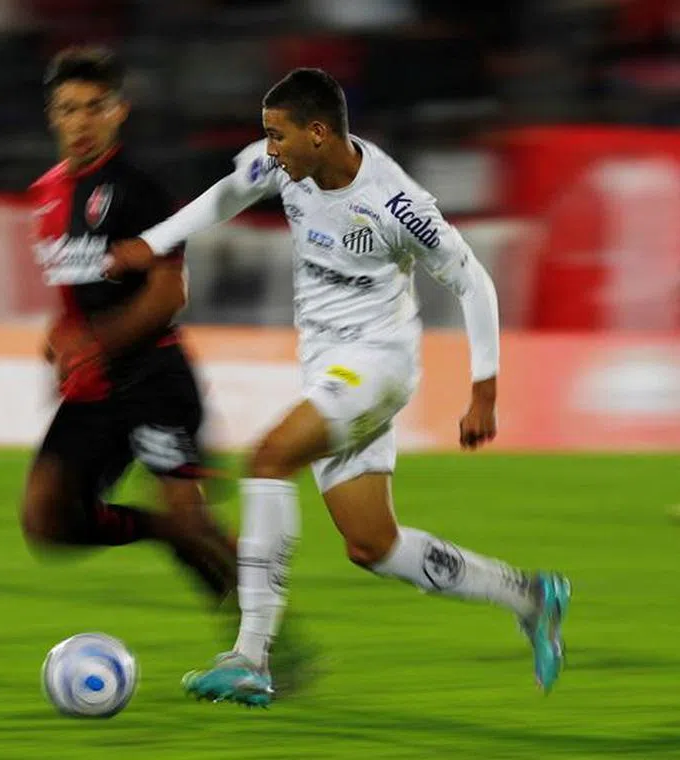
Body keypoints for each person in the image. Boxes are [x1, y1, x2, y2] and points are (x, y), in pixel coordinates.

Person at [106, 68, 571, 706]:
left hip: (376, 366)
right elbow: (224, 195)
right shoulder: (285, 168)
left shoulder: (397, 203)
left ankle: (250, 656)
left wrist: (483, 391)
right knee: (372, 544)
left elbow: (473, 283)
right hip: (328, 366)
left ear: (318, 133)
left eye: (277, 136)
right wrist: (152, 243)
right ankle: (529, 594)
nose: (268, 149)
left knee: (268, 460)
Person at [23, 46, 237, 607]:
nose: (81, 121)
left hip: (152, 379)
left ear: (120, 111)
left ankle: (262, 642)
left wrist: (95, 341)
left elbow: (169, 292)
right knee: (47, 517)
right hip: (96, 389)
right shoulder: (45, 195)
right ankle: (164, 533)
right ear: (52, 114)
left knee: (193, 518)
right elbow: (81, 288)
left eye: (95, 107)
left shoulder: (141, 191)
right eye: (69, 108)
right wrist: (62, 334)